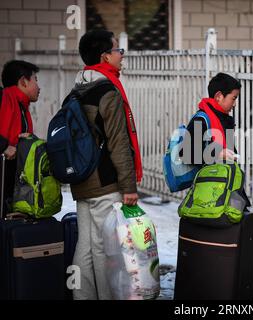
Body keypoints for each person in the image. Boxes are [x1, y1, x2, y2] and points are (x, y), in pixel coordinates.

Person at [181, 72, 253, 299]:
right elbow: (186, 152)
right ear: (219, 96)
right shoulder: (202, 119)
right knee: (249, 232)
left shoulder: (220, 118)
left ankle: (242, 283)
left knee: (248, 232)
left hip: (226, 188)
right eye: (233, 98)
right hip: (214, 193)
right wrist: (218, 152)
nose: (235, 103)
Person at [71, 29, 142, 300]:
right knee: (105, 249)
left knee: (86, 247)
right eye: (118, 50)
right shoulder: (107, 90)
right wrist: (128, 186)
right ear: (105, 56)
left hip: (82, 181)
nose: (121, 56)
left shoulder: (78, 88)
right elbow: (118, 142)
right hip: (104, 182)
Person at [0, 60, 40, 214]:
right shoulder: (3, 98)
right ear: (23, 81)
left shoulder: (22, 107)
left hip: (10, 186)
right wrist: (4, 145)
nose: (38, 86)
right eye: (35, 80)